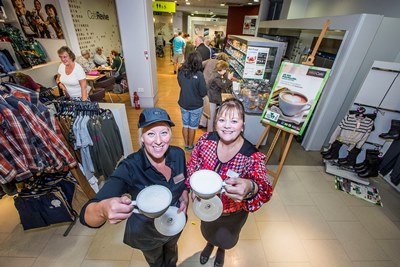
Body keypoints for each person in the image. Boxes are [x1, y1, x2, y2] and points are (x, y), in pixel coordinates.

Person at [80, 107, 189, 267]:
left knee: (172, 252)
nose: (158, 141)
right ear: (142, 138)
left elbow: (182, 180)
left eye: (164, 132)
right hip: (148, 233)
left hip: (174, 221)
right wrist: (103, 209)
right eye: (151, 133)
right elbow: (87, 215)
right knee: (156, 260)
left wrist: (184, 193)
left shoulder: (178, 154)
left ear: (171, 134)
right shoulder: (130, 167)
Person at [186, 98, 273, 267]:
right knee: (208, 231)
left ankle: (221, 250)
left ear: (243, 125)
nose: (227, 125)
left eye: (234, 121)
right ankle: (210, 244)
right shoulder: (205, 141)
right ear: (215, 122)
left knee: (226, 238)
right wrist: (193, 186)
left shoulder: (251, 156)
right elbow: (192, 165)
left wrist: (250, 187)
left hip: (232, 213)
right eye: (222, 120)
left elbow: (265, 188)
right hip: (207, 204)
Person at [178, 52, 207, 151]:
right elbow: (203, 92)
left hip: (183, 102)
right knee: (192, 126)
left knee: (185, 124)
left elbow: (181, 84)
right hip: (196, 105)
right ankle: (190, 146)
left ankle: (186, 144)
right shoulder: (199, 75)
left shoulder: (181, 71)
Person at [200, 52, 230, 130]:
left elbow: (201, 64)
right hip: (212, 93)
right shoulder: (220, 69)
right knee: (211, 113)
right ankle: (209, 131)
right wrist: (229, 79)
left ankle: (202, 123)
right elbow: (224, 83)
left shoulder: (210, 60)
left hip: (204, 85)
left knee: (207, 108)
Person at [207, 60, 234, 132]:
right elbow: (223, 86)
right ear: (221, 69)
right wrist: (229, 79)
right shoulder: (216, 77)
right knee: (211, 118)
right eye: (225, 69)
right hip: (212, 99)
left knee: (211, 117)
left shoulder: (215, 74)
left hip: (211, 97)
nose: (225, 71)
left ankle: (211, 131)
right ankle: (210, 133)